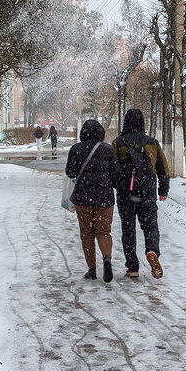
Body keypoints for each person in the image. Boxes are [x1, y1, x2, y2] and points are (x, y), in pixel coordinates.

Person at [112, 108, 169, 279]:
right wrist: (163, 190)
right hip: (148, 192)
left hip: (126, 194)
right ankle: (152, 251)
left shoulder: (118, 142)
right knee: (150, 226)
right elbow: (163, 169)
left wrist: (119, 186)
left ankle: (132, 266)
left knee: (128, 230)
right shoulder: (152, 143)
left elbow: (113, 169)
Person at [65, 119, 123, 282]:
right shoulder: (108, 149)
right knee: (104, 231)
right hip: (104, 198)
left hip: (83, 198)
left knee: (87, 233)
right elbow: (116, 172)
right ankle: (107, 258)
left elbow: (70, 172)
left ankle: (92, 269)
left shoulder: (76, 149)